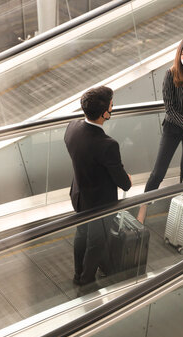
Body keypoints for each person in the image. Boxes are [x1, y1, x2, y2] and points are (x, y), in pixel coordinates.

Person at [138, 36, 183, 223]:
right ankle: (143, 207)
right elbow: (170, 109)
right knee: (158, 172)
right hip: (174, 127)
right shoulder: (171, 74)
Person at [64, 86, 132, 288]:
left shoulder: (72, 128)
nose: (113, 107)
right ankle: (86, 280)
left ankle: (77, 274)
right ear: (104, 113)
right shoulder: (107, 144)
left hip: (79, 194)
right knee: (96, 241)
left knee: (81, 233)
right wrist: (127, 178)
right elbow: (123, 181)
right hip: (99, 203)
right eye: (111, 105)